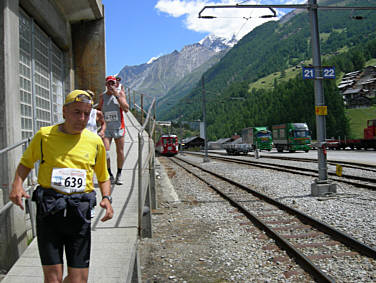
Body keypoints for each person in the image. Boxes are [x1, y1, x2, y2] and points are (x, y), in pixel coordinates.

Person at [9, 90, 114, 283]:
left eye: (86, 113)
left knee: (78, 280)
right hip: (50, 211)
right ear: (64, 111)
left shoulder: (94, 141)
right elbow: (26, 162)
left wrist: (107, 199)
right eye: (76, 112)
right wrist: (17, 184)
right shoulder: (44, 136)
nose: (81, 118)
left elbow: (103, 176)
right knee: (52, 279)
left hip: (79, 212)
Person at [98, 76, 129, 185]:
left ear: (116, 84)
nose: (110, 85)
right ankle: (109, 174)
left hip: (118, 127)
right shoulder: (102, 96)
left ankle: (119, 174)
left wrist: (117, 96)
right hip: (106, 129)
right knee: (105, 152)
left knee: (120, 151)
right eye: (108, 83)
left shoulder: (120, 94)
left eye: (113, 83)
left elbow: (126, 109)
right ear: (106, 85)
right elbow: (98, 110)